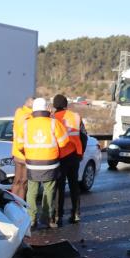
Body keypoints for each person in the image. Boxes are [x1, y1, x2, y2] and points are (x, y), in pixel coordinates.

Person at [15, 97, 67, 229]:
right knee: (49, 190)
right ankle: (47, 218)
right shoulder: (54, 123)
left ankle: (31, 220)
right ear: (46, 109)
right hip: (50, 163)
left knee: (31, 191)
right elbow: (64, 142)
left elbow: (20, 144)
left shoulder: (26, 124)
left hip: (32, 163)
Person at [52, 94, 87, 224]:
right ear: (66, 105)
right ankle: (76, 213)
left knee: (59, 187)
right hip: (74, 156)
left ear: (55, 105)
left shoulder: (53, 118)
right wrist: (80, 152)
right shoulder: (76, 117)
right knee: (74, 185)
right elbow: (84, 136)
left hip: (60, 156)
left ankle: (58, 215)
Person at [10, 97, 33, 199]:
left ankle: (19, 204)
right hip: (23, 153)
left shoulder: (20, 112)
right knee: (20, 181)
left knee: (22, 181)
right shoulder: (22, 113)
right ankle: (15, 203)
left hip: (20, 153)